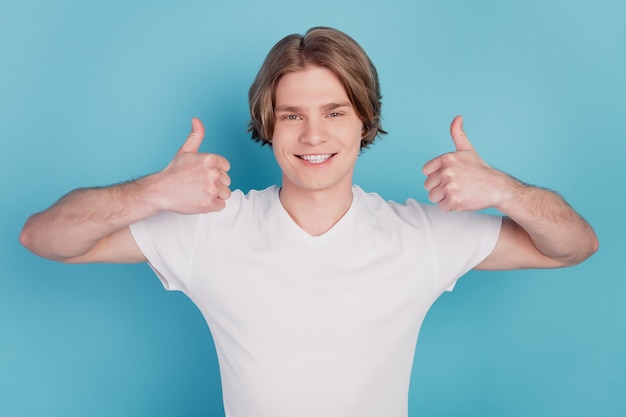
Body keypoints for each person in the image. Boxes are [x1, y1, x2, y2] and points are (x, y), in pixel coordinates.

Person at [20, 27, 598, 417]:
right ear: (268, 125)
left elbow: (574, 246)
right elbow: (45, 239)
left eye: (333, 113)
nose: (313, 135)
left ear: (363, 121)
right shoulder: (208, 231)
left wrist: (503, 189)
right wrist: (152, 193)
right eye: (292, 114)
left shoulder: (422, 235)